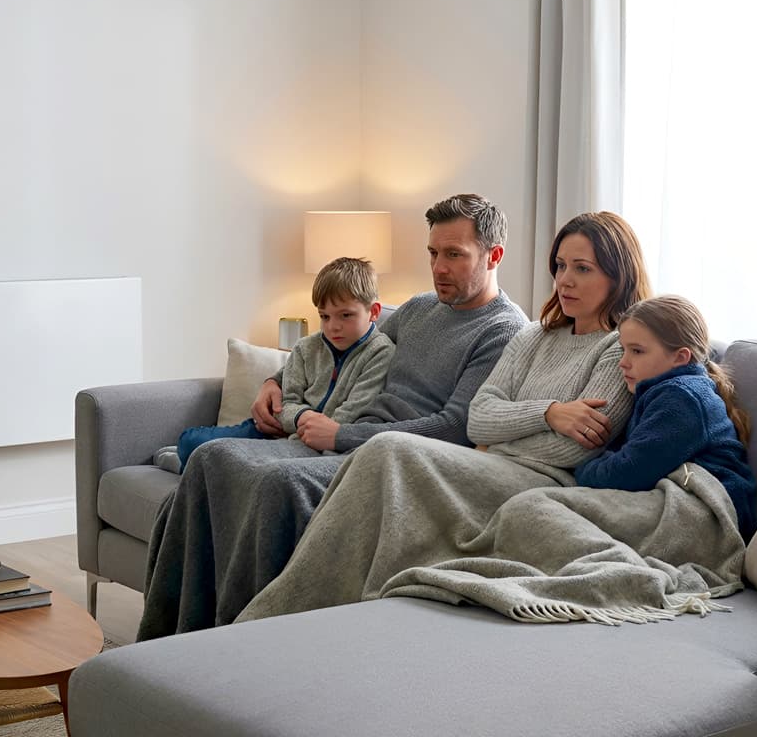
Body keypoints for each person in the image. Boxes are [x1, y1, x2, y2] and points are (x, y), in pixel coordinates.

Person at [136, 193, 528, 640]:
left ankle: (238, 641)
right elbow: (343, 343)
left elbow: (455, 427)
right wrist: (276, 383)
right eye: (433, 253)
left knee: (276, 484)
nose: (438, 267)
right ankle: (170, 638)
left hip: (391, 460)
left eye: (454, 255)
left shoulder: (502, 330)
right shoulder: (421, 308)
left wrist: (341, 435)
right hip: (348, 436)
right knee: (212, 458)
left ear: (493, 255)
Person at [237, 210, 653, 623]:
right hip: (487, 460)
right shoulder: (536, 336)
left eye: (582, 268)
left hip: (537, 479)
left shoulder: (619, 349)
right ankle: (285, 612)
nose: (564, 279)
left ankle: (296, 614)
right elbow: (480, 419)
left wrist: (519, 425)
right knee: (368, 453)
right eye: (560, 265)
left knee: (389, 448)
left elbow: (570, 449)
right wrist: (549, 412)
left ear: (617, 276)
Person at [170, 257, 395, 472]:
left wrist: (310, 432)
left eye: (345, 315)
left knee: (226, 461)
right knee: (190, 441)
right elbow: (286, 402)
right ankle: (186, 462)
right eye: (325, 316)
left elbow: (354, 410)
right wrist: (300, 418)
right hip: (276, 432)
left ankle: (187, 466)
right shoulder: (306, 348)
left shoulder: (380, 352)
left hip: (313, 442)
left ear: (374, 312)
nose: (333, 327)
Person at [574, 294, 756, 538]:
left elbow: (631, 470)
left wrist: (581, 469)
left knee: (541, 507)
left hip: (708, 515)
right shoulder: (662, 390)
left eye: (637, 351)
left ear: (680, 357)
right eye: (623, 350)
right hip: (679, 504)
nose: (623, 363)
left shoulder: (682, 398)